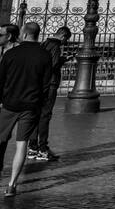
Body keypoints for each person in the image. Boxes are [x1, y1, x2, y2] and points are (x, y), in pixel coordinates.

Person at [0, 22, 53, 197]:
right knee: (21, 145)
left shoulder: (11, 54)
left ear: (23, 33)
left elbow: (1, 81)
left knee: (1, 140)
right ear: (38, 34)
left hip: (9, 104)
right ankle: (12, 184)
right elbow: (46, 85)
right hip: (30, 105)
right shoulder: (45, 56)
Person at [28, 24, 69, 162]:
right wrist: (63, 60)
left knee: (36, 114)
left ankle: (32, 146)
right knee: (45, 115)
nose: (65, 43)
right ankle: (43, 149)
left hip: (39, 84)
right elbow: (53, 65)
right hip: (50, 84)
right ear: (62, 36)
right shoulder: (56, 47)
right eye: (66, 40)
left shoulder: (44, 43)